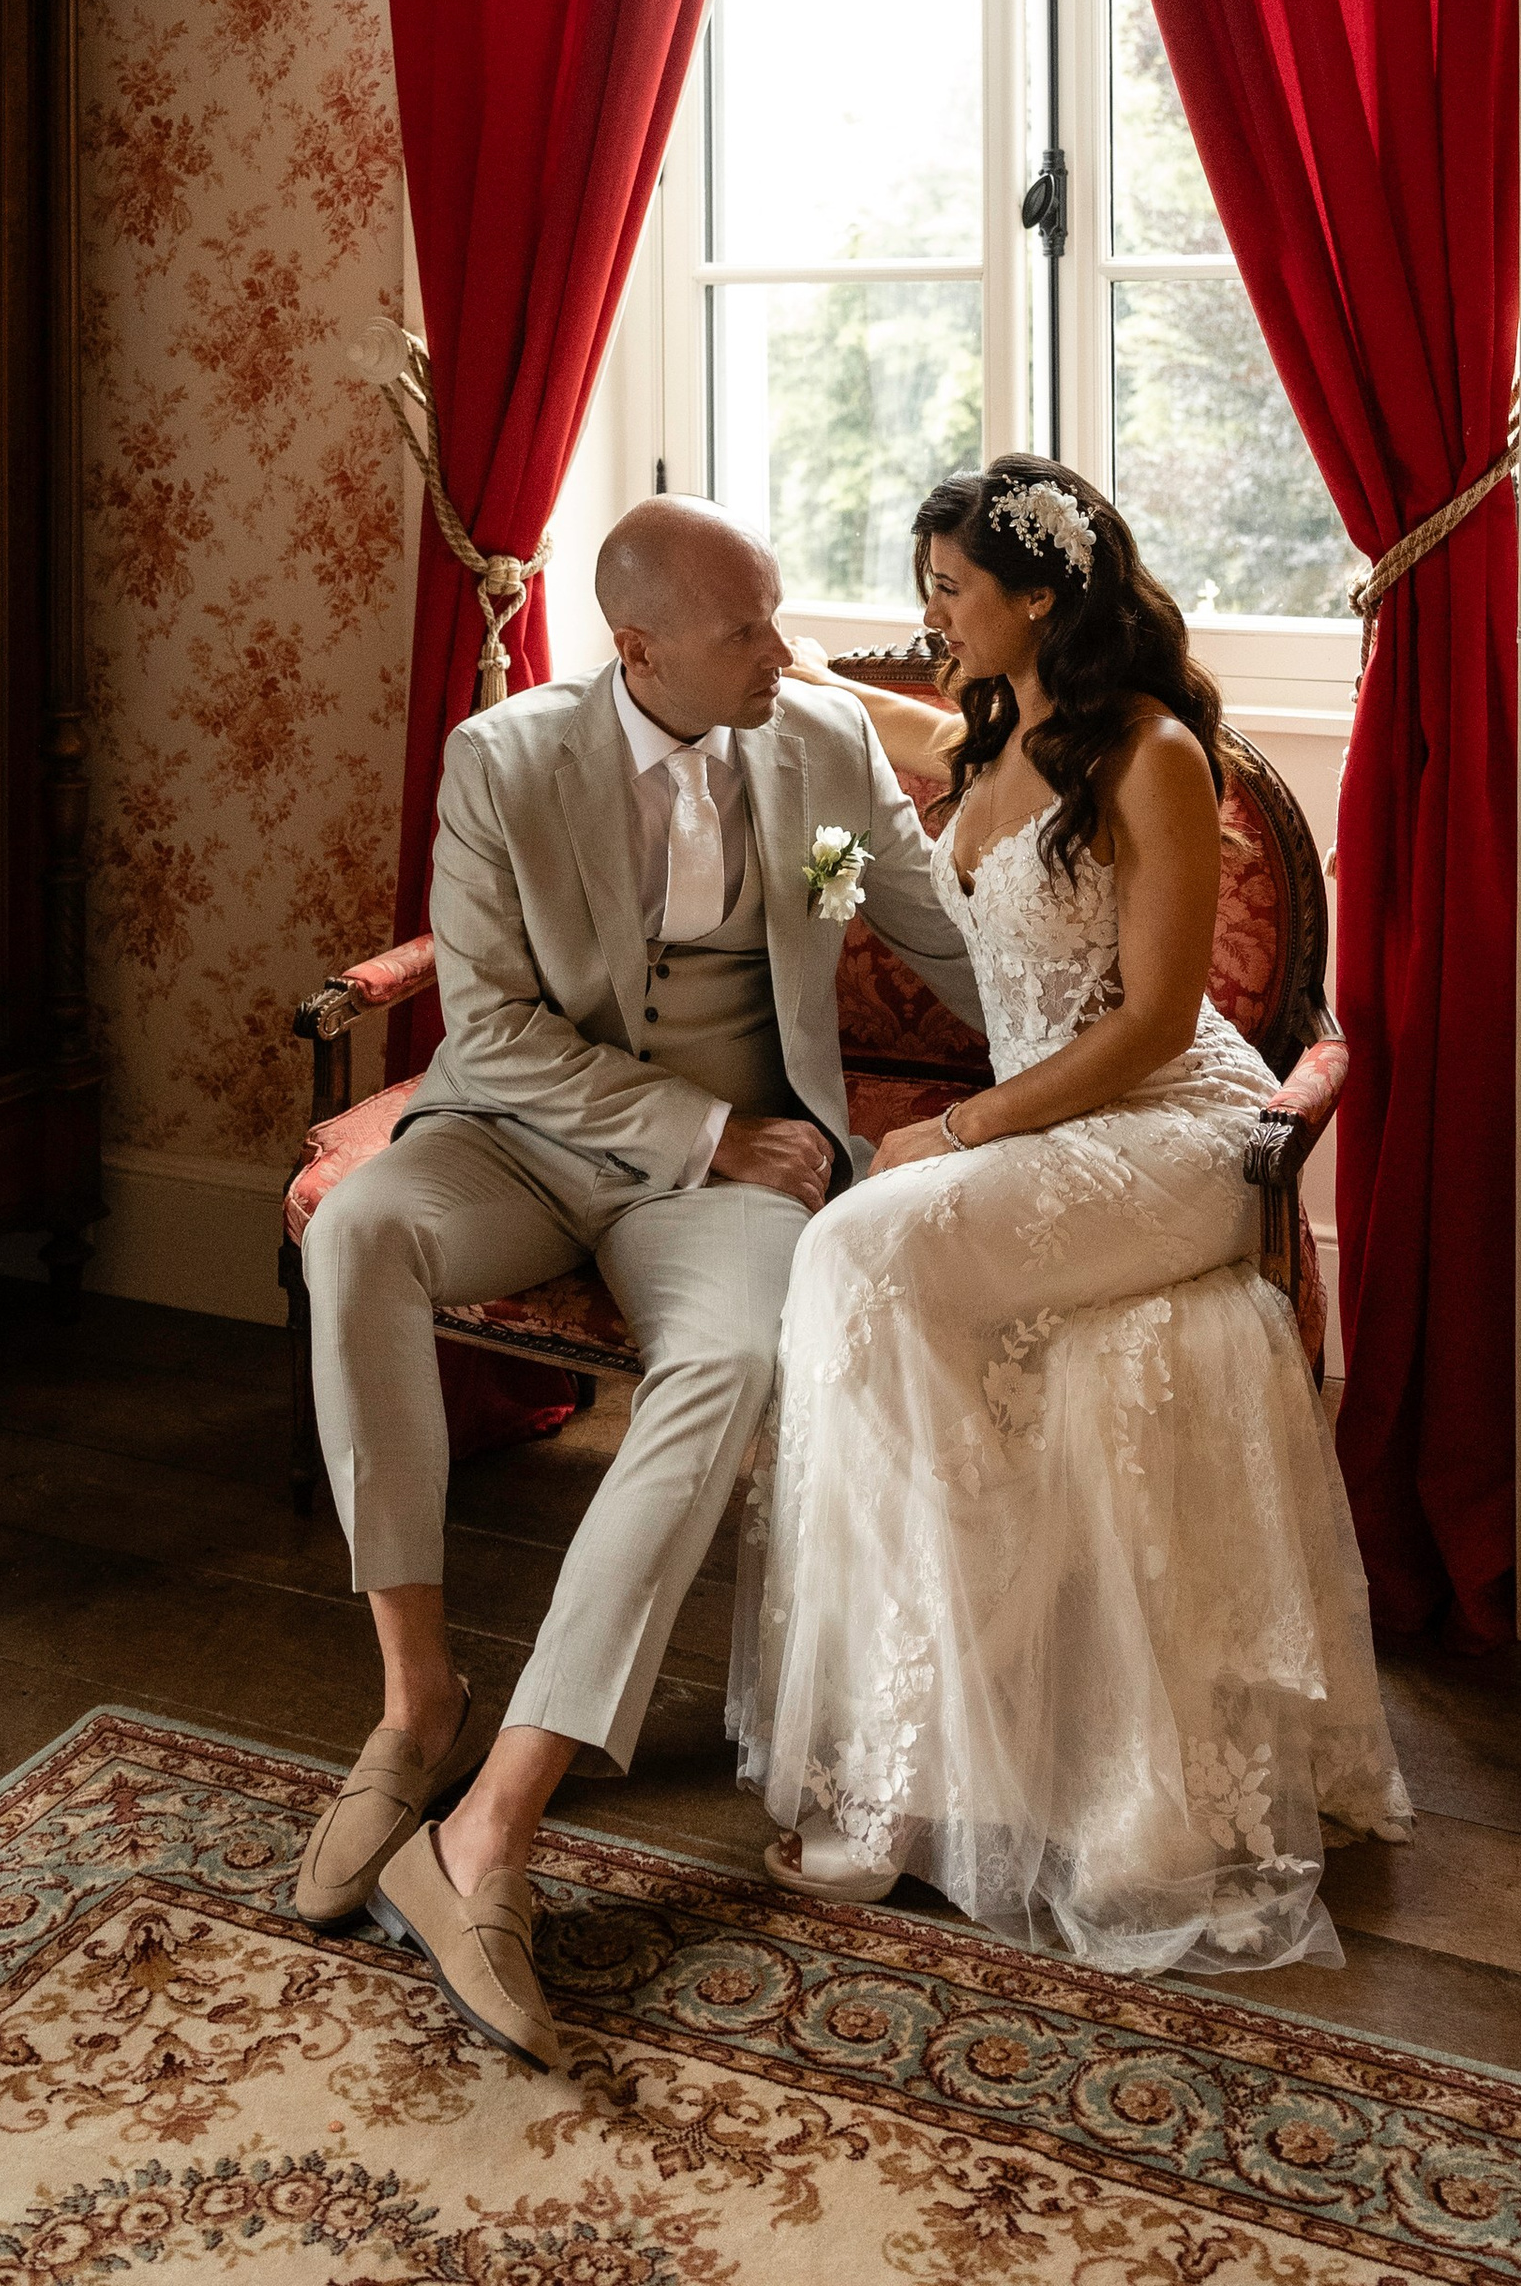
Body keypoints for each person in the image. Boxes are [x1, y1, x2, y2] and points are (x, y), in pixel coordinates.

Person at [294, 495, 979, 2072]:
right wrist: (699, 1128)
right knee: (358, 1231)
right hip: (527, 1143)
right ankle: (416, 1708)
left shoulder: (819, 746)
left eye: (782, 614)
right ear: (638, 646)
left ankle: (498, 1818)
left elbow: (942, 941)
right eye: (748, 629)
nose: (785, 651)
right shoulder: (503, 760)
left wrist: (1128, 1049)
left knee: (736, 1361)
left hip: (738, 1178)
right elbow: (500, 1030)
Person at [732, 455, 1411, 1974]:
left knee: (858, 1240)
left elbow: (1162, 1023)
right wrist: (797, 673)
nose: (930, 618)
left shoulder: (1156, 754)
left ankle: (919, 1763)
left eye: (954, 591)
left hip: (1170, 1133)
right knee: (861, 1272)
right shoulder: (1005, 728)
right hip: (1057, 1133)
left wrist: (955, 1127)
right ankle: (954, 1741)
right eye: (923, 590)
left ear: (1042, 597)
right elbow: (909, 724)